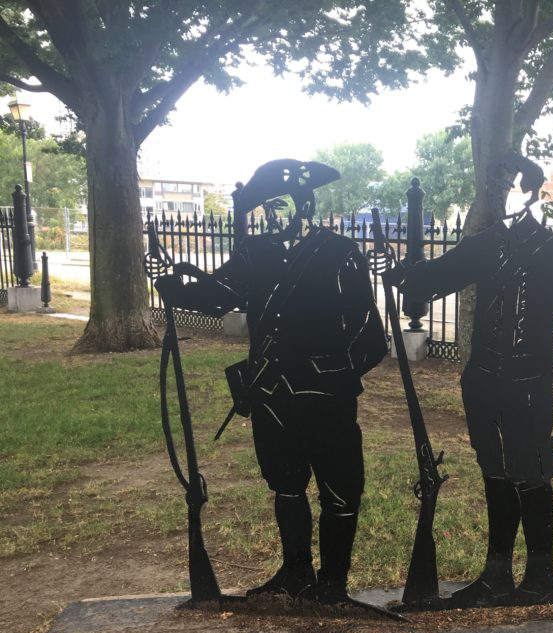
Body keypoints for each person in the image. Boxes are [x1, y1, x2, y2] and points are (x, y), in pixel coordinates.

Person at [385, 154, 553, 607]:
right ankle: (496, 574)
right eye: (492, 189)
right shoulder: (484, 245)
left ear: (529, 192)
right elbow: (434, 279)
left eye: (504, 188)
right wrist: (400, 274)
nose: (495, 196)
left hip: (529, 386)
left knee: (530, 473)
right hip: (482, 382)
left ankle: (541, 575)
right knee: (494, 472)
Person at [154, 160, 387, 604]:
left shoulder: (340, 254)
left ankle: (333, 584)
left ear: (304, 203)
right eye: (266, 207)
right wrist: (176, 287)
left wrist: (333, 378)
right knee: (285, 484)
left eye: (280, 204)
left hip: (327, 398)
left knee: (340, 488)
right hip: (271, 394)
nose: (272, 214)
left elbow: (369, 338)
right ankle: (296, 572)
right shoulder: (253, 252)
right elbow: (219, 295)